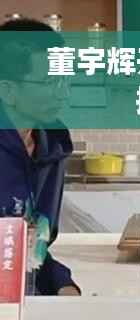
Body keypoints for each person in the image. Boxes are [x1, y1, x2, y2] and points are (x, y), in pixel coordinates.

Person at [0, 18, 80, 295]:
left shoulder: (53, 146)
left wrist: (61, 284)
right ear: (7, 90)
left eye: (65, 80)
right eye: (50, 82)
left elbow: (31, 246)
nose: (63, 93)